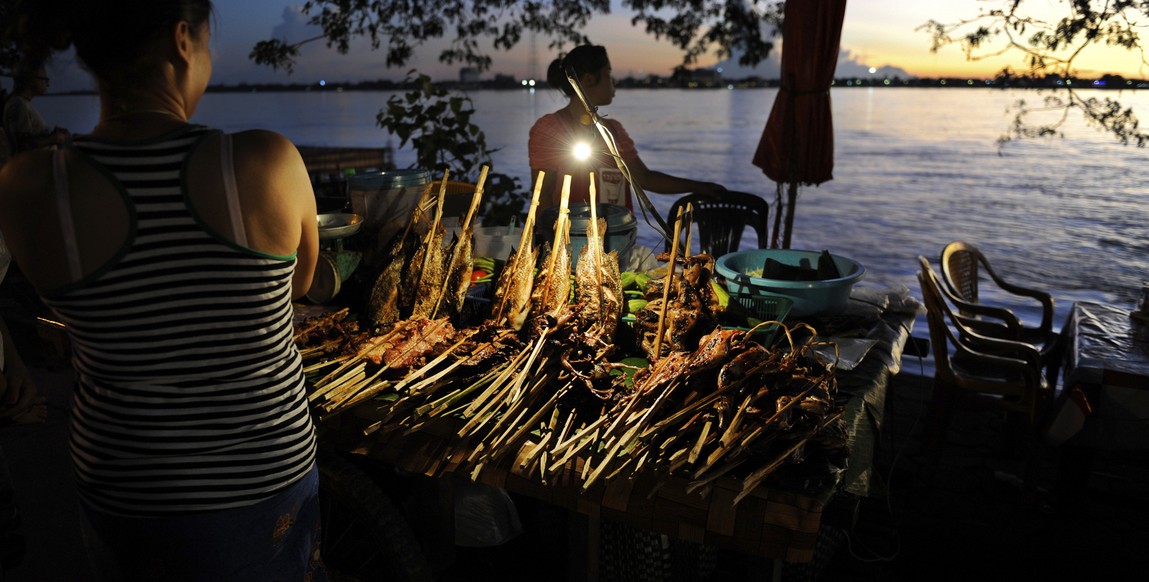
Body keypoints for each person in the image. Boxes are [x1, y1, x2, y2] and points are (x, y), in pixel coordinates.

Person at [0, 1, 323, 580]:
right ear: (182, 40)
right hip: (262, 470)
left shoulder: (27, 187)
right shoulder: (264, 162)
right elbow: (297, 286)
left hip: (125, 480)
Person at [529, 44, 727, 211]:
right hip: (571, 243)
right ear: (589, 79)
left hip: (619, 241)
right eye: (608, 73)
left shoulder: (613, 129)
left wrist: (698, 187)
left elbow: (643, 178)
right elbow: (542, 194)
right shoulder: (550, 129)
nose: (613, 81)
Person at [2, 62, 70, 154]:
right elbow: (24, 144)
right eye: (44, 80)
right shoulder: (18, 104)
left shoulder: (23, 103)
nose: (48, 84)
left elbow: (30, 137)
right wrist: (55, 138)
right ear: (30, 80)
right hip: (33, 166)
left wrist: (51, 135)